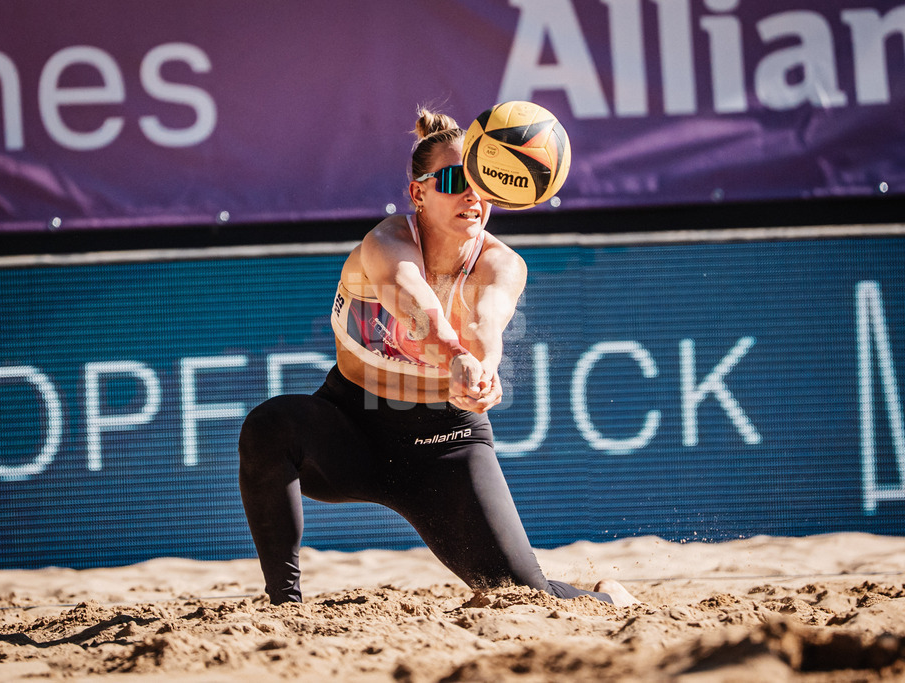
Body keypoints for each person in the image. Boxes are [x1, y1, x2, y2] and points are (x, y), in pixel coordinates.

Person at [238, 107, 637, 607]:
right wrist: (456, 358)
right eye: (454, 178)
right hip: (350, 429)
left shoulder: (501, 263)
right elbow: (413, 303)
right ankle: (284, 604)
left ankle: (611, 600)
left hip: (444, 444)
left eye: (481, 179)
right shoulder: (385, 242)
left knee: (522, 594)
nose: (471, 194)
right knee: (270, 423)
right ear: (418, 192)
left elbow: (486, 324)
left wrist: (484, 366)